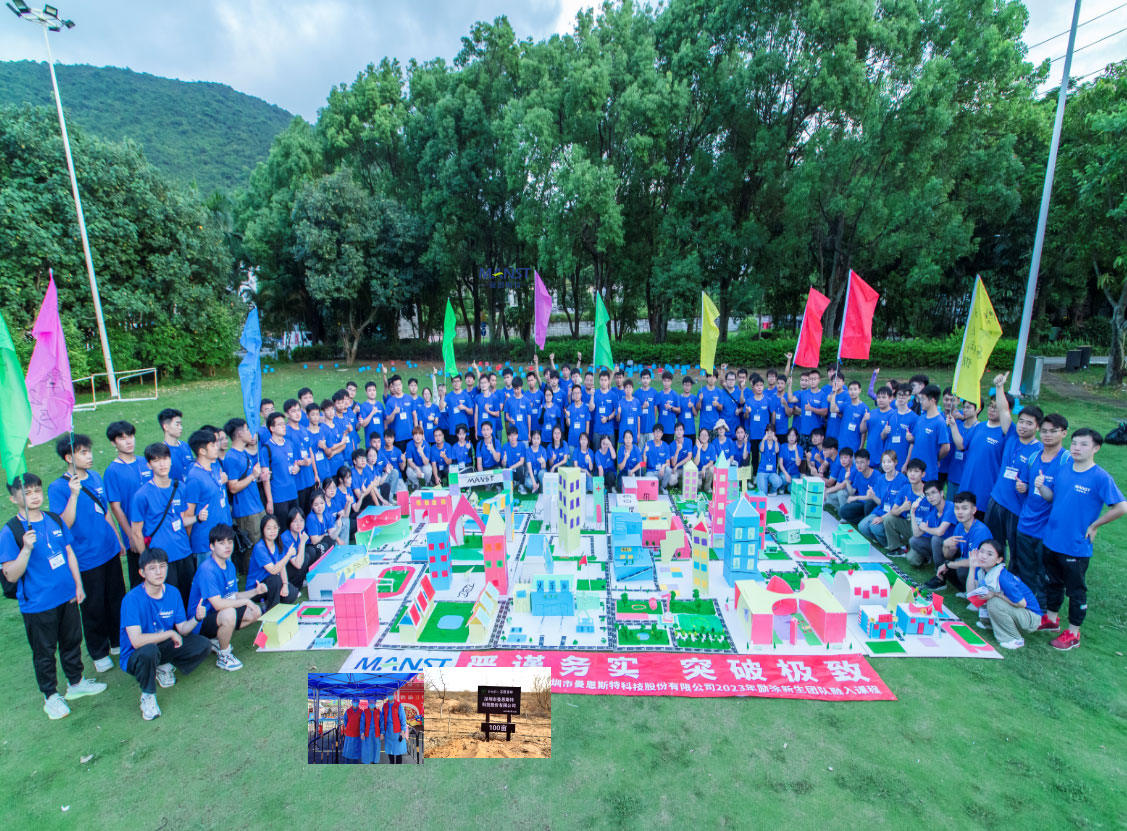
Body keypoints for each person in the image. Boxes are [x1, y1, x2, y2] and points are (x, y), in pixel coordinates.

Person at [2, 474, 108, 719]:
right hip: (38, 604)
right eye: (27, 493)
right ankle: (50, 696)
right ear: (13, 499)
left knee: (72, 641)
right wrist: (26, 549)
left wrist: (78, 585)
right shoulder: (11, 531)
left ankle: (76, 683)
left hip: (66, 596)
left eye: (37, 490)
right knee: (44, 651)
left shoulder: (53, 518)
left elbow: (69, 553)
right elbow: (10, 574)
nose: (34, 496)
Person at [1037, 428, 1127, 651]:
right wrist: (1041, 487)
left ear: (1096, 448)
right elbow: (1053, 498)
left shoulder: (1100, 477)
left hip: (1075, 546)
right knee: (1052, 582)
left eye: (1084, 444)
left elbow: (1121, 507)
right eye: (1075, 443)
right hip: (1052, 539)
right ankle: (1051, 619)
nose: (1077, 448)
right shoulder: (1065, 468)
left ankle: (1074, 633)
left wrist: (1095, 525)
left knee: (1075, 591)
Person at [48, 435, 127, 673]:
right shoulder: (58, 488)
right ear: (68, 457)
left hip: (109, 550)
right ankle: (99, 651)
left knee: (116, 598)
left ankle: (117, 641)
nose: (89, 456)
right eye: (83, 453)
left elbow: (105, 511)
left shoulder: (95, 477)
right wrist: (73, 494)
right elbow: (63, 524)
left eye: (89, 451)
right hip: (86, 557)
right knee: (93, 606)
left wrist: (117, 538)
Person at [119, 547, 211, 720]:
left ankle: (161, 666)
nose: (159, 572)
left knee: (203, 645)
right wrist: (169, 633)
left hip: (162, 646)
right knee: (149, 651)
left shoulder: (173, 592)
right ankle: (148, 696)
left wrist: (197, 618)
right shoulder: (131, 599)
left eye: (162, 566)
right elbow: (136, 641)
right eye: (152, 568)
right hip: (135, 654)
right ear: (142, 573)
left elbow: (182, 629)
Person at [187, 524, 264, 672]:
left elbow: (232, 596)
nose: (227, 546)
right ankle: (224, 655)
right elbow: (217, 604)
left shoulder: (229, 565)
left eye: (230, 541)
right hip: (199, 621)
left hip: (217, 614)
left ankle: (217, 638)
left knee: (255, 612)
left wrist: (255, 592)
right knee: (229, 613)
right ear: (212, 546)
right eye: (221, 543)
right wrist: (246, 601)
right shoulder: (207, 569)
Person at [1012, 413, 1068, 610]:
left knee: (1046, 572)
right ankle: (1029, 604)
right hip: (1026, 523)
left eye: (1053, 431)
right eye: (1044, 431)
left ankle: (1043, 608)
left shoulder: (1066, 460)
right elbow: (1027, 483)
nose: (1047, 435)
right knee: (1026, 569)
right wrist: (1024, 486)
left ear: (1063, 433)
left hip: (1048, 529)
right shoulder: (1034, 457)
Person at [984, 377, 1043, 557]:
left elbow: (1042, 482)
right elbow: (1003, 409)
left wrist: (1027, 486)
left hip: (1016, 508)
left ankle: (1013, 574)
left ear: (1038, 427)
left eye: (1029, 423)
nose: (1023, 426)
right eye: (1022, 421)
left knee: (1017, 551)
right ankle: (992, 573)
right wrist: (999, 386)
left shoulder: (1040, 451)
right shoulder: (1011, 434)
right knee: (992, 545)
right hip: (997, 500)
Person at [130, 444, 195, 608]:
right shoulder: (141, 495)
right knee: (167, 602)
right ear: (149, 465)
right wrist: (147, 561)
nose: (162, 464)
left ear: (170, 461)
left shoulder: (180, 487)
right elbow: (136, 532)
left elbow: (181, 519)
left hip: (184, 552)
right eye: (156, 460)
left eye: (165, 459)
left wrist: (197, 519)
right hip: (161, 558)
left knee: (189, 597)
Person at [966, 539, 1044, 650]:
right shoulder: (983, 570)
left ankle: (1014, 639)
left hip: (1030, 618)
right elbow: (971, 594)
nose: (983, 556)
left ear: (999, 560)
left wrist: (995, 594)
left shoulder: (1003, 578)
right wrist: (972, 567)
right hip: (1019, 612)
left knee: (994, 601)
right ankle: (989, 624)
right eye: (981, 551)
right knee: (983, 595)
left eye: (989, 554)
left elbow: (1022, 604)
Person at [104, 420, 152, 589]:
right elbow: (115, 507)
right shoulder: (112, 471)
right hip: (136, 531)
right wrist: (130, 535)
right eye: (122, 438)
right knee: (141, 577)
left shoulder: (145, 461)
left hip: (155, 527)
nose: (129, 441)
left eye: (130, 436)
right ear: (113, 443)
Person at [950, 382, 1010, 515]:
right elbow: (961, 445)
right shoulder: (979, 427)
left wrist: (999, 387)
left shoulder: (1006, 433)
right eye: (990, 406)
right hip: (967, 485)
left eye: (996, 407)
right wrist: (953, 425)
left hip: (986, 491)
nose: (991, 410)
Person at [222, 418, 266, 574]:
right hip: (246, 511)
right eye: (247, 429)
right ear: (240, 433)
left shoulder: (243, 454)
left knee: (262, 544)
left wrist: (257, 476)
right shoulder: (232, 457)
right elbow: (233, 487)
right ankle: (252, 579)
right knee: (251, 548)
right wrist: (253, 475)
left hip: (256, 506)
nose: (250, 432)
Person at [184, 429, 231, 567]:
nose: (217, 447)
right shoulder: (194, 477)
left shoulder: (215, 469)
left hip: (223, 537)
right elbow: (188, 514)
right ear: (202, 451)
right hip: (205, 544)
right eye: (212, 445)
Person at [933, 491, 992, 593]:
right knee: (939, 543)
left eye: (964, 508)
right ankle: (944, 582)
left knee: (960, 569)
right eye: (957, 508)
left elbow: (977, 561)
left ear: (973, 510)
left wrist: (948, 565)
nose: (960, 512)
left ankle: (974, 593)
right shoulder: (960, 526)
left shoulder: (980, 531)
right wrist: (945, 545)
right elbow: (948, 556)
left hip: (982, 570)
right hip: (967, 562)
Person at [858, 451, 910, 548]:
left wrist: (882, 518)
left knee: (875, 527)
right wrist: (873, 496)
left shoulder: (903, 480)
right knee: (862, 527)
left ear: (895, 463)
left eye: (889, 462)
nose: (886, 465)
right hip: (881, 511)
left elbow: (898, 508)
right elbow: (880, 503)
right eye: (884, 462)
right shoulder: (881, 479)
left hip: (895, 515)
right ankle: (884, 542)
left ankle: (896, 543)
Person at [248, 514, 301, 610]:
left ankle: (267, 602)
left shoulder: (277, 544)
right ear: (263, 530)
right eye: (268, 528)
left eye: (275, 527)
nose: (272, 531)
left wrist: (285, 584)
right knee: (275, 579)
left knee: (292, 594)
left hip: (271, 584)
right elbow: (273, 570)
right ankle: (272, 609)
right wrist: (288, 555)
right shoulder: (260, 547)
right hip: (257, 587)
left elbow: (282, 567)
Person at [259, 412, 300, 522]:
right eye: (280, 424)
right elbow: (265, 478)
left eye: (284, 424)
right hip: (278, 496)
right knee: (283, 526)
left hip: (293, 492)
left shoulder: (290, 444)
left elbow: (295, 463)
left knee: (296, 524)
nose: (284, 427)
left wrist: (297, 468)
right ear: (272, 428)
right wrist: (269, 501)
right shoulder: (266, 449)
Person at [882, 458, 927, 554]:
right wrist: (902, 508)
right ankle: (896, 548)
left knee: (913, 559)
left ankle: (918, 549)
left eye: (916, 471)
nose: (912, 474)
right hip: (907, 524)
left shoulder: (928, 491)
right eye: (910, 471)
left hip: (922, 529)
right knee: (889, 519)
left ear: (923, 474)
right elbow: (893, 511)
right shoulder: (905, 488)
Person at [908, 479, 956, 569]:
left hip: (952, 547)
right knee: (913, 540)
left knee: (935, 539)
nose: (931, 497)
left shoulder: (950, 507)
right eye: (927, 494)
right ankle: (933, 559)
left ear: (941, 493)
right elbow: (917, 534)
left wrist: (926, 528)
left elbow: (940, 532)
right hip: (939, 545)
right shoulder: (933, 513)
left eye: (933, 493)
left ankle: (939, 570)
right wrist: (912, 513)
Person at [905, 384, 950, 480]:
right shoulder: (921, 418)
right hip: (914, 469)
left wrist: (936, 457)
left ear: (932, 400)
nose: (921, 402)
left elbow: (946, 447)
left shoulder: (939, 422)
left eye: (923, 399)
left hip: (928, 472)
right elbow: (916, 439)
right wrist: (910, 438)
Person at [284, 399, 319, 512]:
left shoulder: (304, 430)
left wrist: (315, 474)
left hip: (310, 478)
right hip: (297, 480)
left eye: (298, 410)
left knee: (311, 509)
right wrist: (301, 463)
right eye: (293, 411)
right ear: (286, 414)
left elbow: (310, 452)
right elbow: (285, 457)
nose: (297, 413)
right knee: (300, 512)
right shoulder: (286, 432)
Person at [839, 448, 878, 525]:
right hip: (860, 503)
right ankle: (864, 521)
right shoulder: (859, 474)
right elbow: (852, 493)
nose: (859, 465)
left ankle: (868, 522)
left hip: (871, 503)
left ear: (868, 462)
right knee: (842, 512)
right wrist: (846, 480)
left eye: (862, 462)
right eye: (857, 462)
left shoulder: (876, 475)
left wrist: (856, 497)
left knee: (869, 504)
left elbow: (873, 497)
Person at [280, 508, 311, 593]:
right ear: (289, 523)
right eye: (295, 521)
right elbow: (298, 565)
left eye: (301, 520)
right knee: (306, 557)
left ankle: (300, 581)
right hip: (283, 570)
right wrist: (302, 542)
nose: (299, 524)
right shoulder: (286, 538)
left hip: (292, 563)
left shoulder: (300, 533)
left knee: (311, 551)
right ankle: (294, 587)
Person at [159, 408, 194, 483]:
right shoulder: (161, 451)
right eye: (177, 424)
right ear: (166, 427)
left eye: (181, 424)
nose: (181, 428)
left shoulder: (185, 445)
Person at [823, 445, 854, 512]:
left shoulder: (854, 469)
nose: (843, 460)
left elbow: (842, 485)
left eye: (845, 458)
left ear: (851, 458)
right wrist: (827, 491)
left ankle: (844, 514)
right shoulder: (842, 469)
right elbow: (837, 485)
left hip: (852, 494)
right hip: (843, 494)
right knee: (829, 495)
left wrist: (827, 490)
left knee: (841, 493)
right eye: (841, 458)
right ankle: (841, 510)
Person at [644, 424, 672, 492]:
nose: (657, 434)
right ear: (653, 433)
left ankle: (663, 487)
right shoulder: (648, 444)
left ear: (662, 434)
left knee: (668, 470)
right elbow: (644, 462)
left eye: (659, 432)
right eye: (656, 432)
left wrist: (663, 466)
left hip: (661, 471)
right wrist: (645, 451)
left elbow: (668, 463)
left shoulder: (665, 445)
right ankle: (654, 485)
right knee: (649, 488)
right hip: (651, 471)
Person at [405, 426, 435, 490]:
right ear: (412, 436)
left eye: (420, 434)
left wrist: (422, 453)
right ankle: (416, 484)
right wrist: (417, 469)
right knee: (408, 471)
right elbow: (410, 461)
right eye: (416, 434)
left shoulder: (426, 445)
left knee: (427, 469)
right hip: (415, 466)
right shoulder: (409, 445)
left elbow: (426, 463)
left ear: (422, 436)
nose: (418, 437)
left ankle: (427, 483)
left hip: (424, 465)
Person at [381, 696, 409, 764]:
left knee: (398, 752)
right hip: (388, 732)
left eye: (392, 693)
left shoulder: (398, 705)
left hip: (397, 732)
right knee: (390, 751)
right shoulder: (385, 706)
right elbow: (382, 720)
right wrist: (382, 732)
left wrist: (403, 730)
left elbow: (403, 718)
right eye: (389, 694)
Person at [756, 425, 783, 495]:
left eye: (771, 432)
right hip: (762, 471)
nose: (770, 435)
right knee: (762, 493)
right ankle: (764, 486)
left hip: (772, 472)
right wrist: (763, 440)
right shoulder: (762, 443)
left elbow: (777, 451)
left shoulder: (777, 443)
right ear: (765, 433)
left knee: (778, 482)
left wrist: (776, 441)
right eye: (768, 432)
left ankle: (772, 491)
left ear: (774, 433)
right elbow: (761, 450)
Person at [778, 427, 803, 493]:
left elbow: (798, 464)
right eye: (789, 436)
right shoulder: (783, 446)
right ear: (787, 437)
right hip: (784, 472)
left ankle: (788, 487)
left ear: (796, 437)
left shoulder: (800, 448)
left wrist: (796, 450)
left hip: (794, 473)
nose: (791, 438)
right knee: (783, 478)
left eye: (793, 436)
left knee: (791, 490)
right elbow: (780, 464)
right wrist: (786, 474)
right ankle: (782, 487)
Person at [694, 428, 718, 493]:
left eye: (706, 435)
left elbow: (711, 462)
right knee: (698, 485)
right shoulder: (696, 447)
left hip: (706, 470)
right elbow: (696, 463)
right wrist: (699, 449)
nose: (704, 437)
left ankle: (707, 487)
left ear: (708, 437)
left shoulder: (711, 447)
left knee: (712, 469)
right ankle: (701, 484)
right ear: (699, 437)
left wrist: (704, 467)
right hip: (698, 471)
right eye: (702, 435)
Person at [341, 698, 364, 763]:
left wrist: (362, 732)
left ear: (358, 703)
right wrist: (348, 728)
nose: (355, 703)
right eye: (354, 702)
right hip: (349, 734)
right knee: (348, 751)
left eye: (357, 702)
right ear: (352, 702)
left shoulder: (361, 711)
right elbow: (345, 721)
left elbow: (362, 722)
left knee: (356, 752)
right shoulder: (348, 711)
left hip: (357, 734)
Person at [360, 699, 382, 764]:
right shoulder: (365, 712)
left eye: (373, 702)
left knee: (376, 747)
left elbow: (382, 723)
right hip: (367, 733)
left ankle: (375, 761)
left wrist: (382, 733)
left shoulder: (379, 712)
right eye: (370, 702)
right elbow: (362, 723)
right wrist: (362, 733)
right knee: (367, 748)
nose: (372, 704)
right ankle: (367, 762)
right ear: (368, 703)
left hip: (376, 732)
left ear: (375, 703)